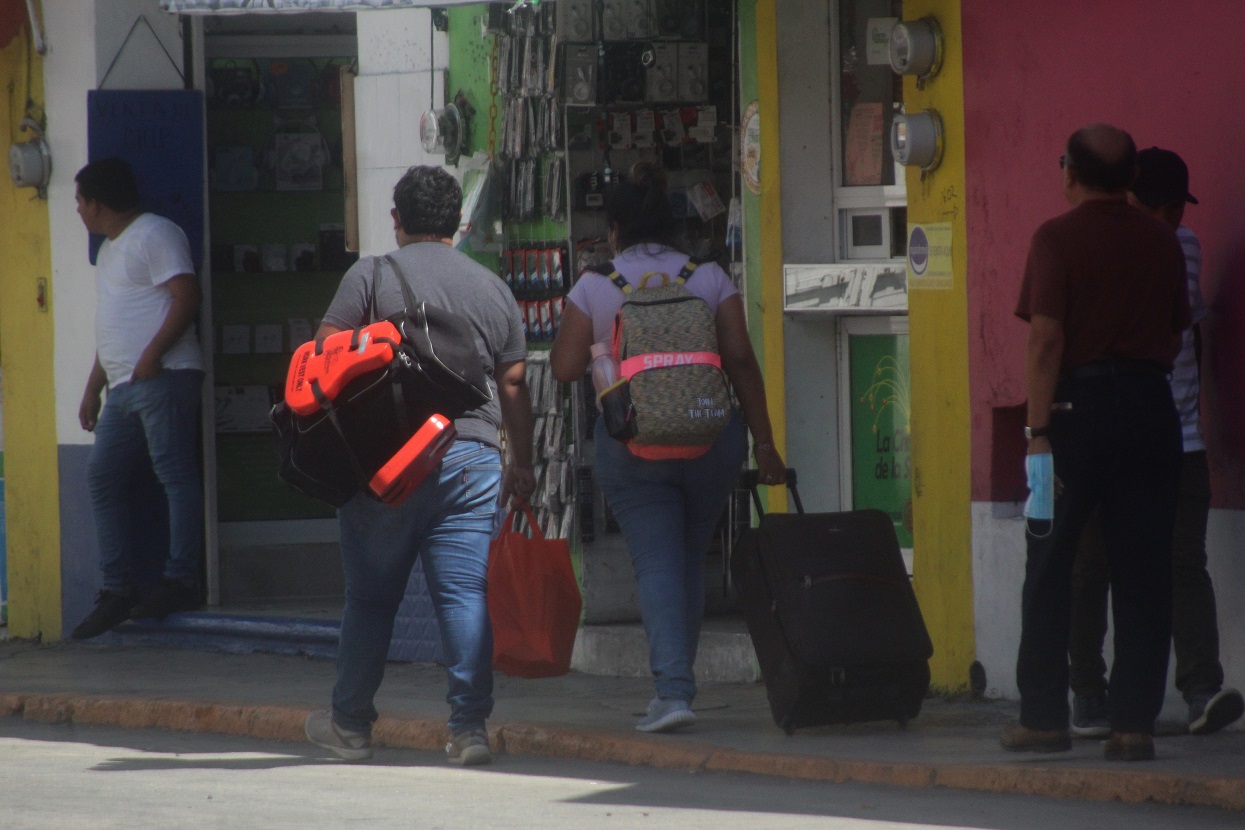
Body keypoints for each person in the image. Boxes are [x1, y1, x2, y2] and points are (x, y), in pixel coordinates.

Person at [303, 165, 534, 767]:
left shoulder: (370, 275)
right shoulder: (493, 289)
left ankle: (350, 727)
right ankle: (469, 731)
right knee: (462, 595)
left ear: (397, 220)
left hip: (385, 465)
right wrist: (524, 463)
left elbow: (324, 356)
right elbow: (513, 382)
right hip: (470, 457)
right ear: (458, 222)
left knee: (371, 600)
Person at [550, 162, 786, 733]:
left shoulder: (594, 286)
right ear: (673, 227)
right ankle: (680, 684)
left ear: (614, 230)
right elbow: (742, 362)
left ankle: (673, 691)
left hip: (633, 444)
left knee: (656, 560)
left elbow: (564, 367)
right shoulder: (709, 277)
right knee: (686, 556)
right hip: (711, 437)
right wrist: (766, 444)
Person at [1004, 124, 1190, 762]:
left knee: (1047, 565)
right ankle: (1133, 725)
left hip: (1068, 417)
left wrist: (1035, 432)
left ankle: (1043, 718)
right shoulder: (1162, 241)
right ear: (1135, 178)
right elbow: (1174, 331)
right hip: (1150, 410)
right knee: (1143, 573)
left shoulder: (1054, 238)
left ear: (1068, 175)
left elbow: (1046, 339)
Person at [1068, 148, 1244, 738]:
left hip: (1175, 433)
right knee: (1093, 567)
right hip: (1111, 428)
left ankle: (1200, 690)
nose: (1173, 220)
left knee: (1177, 564)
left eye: (1177, 211)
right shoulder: (1083, 242)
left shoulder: (1179, 245)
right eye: (1165, 209)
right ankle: (1089, 693)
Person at [70, 157, 206, 639]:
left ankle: (180, 578)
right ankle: (118, 588)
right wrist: (92, 386)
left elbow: (187, 296)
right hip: (124, 386)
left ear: (97, 204)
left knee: (174, 474)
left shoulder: (155, 234)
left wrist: (151, 356)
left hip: (163, 376)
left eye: (80, 202)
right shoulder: (109, 250)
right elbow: (114, 324)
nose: (78, 211)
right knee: (101, 477)